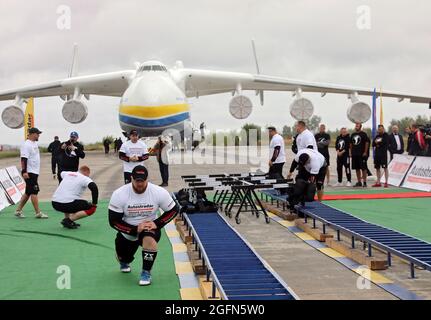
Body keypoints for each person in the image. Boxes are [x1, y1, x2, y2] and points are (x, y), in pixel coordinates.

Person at [108, 166, 180, 286]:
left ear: (147, 179)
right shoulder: (119, 194)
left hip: (149, 227)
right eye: (137, 181)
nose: (140, 184)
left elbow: (174, 210)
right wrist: (135, 229)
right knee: (124, 258)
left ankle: (146, 272)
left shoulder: (158, 192)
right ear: (131, 178)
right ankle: (123, 261)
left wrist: (157, 224)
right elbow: (113, 221)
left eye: (142, 180)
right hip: (128, 231)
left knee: (149, 239)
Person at [14, 128, 48, 219]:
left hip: (35, 171)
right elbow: (23, 159)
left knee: (28, 192)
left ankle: (18, 211)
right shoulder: (26, 145)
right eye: (37, 134)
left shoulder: (35, 143)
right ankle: (38, 213)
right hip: (29, 172)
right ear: (32, 134)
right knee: (34, 191)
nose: (39, 135)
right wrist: (24, 171)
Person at [350, 123, 370, 188]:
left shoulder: (363, 134)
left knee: (363, 168)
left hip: (361, 154)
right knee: (357, 168)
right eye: (356, 125)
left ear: (360, 127)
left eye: (357, 126)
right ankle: (359, 182)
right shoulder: (353, 134)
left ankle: (364, 182)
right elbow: (350, 144)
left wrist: (365, 152)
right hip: (354, 154)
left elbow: (367, 143)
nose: (356, 126)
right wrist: (350, 152)